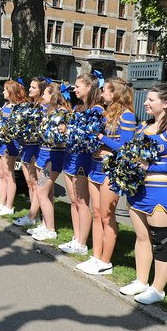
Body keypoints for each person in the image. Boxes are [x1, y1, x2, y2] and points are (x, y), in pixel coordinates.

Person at [118, 83, 167, 305]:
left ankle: (158, 289)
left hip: (161, 193)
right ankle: (141, 280)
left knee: (161, 243)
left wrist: (149, 168)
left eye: (151, 100)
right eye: (147, 99)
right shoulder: (142, 127)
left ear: (166, 103)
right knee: (142, 238)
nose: (146, 103)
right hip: (138, 191)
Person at [78, 77, 135, 277]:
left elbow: (125, 148)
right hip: (95, 165)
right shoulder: (105, 112)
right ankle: (96, 255)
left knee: (107, 215)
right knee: (96, 213)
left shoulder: (127, 116)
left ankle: (106, 261)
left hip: (111, 169)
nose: (102, 94)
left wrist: (101, 137)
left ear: (115, 93)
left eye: (105, 91)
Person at [58, 73, 98, 256]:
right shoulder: (77, 107)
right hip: (70, 155)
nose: (75, 89)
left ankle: (82, 243)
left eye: (78, 86)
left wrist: (71, 130)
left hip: (83, 158)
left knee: (82, 201)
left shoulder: (97, 109)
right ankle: (76, 237)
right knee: (73, 200)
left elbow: (91, 136)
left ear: (89, 86)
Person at [27, 82, 69, 241]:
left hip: (54, 156)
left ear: (53, 95)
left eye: (45, 93)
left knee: (41, 191)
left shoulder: (62, 112)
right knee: (47, 192)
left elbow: (62, 137)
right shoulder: (48, 111)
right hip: (44, 154)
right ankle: (45, 225)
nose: (43, 96)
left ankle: (51, 229)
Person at [14, 77, 47, 228]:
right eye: (30, 87)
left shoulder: (44, 107)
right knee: (30, 183)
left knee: (37, 183)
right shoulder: (30, 105)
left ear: (41, 89)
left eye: (33, 87)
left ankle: (34, 216)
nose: (30, 90)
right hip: (27, 146)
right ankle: (34, 214)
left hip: (37, 147)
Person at [0, 80, 25, 216]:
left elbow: (14, 128)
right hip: (0, 141)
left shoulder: (17, 108)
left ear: (11, 91)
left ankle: (9, 206)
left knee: (9, 174)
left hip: (10, 144)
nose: (3, 92)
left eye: (5, 89)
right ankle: (1, 202)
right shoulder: (5, 105)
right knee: (1, 174)